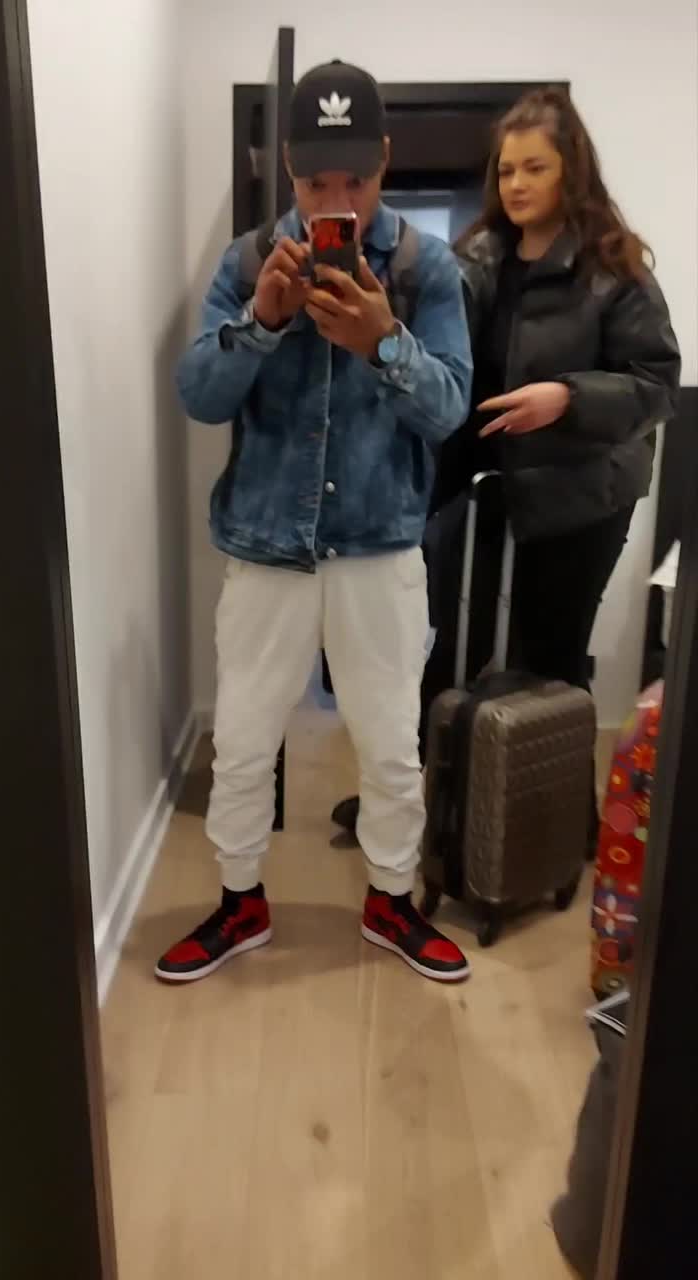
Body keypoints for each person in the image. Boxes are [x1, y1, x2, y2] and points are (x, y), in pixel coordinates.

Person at [155, 60, 474, 985]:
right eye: (315, 183)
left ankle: (390, 900)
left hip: (380, 546)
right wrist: (261, 320)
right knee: (244, 741)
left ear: (384, 159)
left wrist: (382, 342)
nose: (337, 203)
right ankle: (239, 901)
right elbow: (198, 395)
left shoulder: (425, 269)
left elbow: (450, 408)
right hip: (265, 546)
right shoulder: (248, 263)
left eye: (356, 181)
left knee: (390, 746)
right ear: (288, 169)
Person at [333, 85, 681, 855]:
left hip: (581, 493)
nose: (516, 184)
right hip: (485, 486)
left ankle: (559, 828)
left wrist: (567, 398)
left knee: (549, 656)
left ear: (571, 171)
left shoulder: (613, 269)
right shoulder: (475, 258)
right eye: (507, 169)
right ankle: (405, 803)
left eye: (535, 168)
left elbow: (656, 384)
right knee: (442, 647)